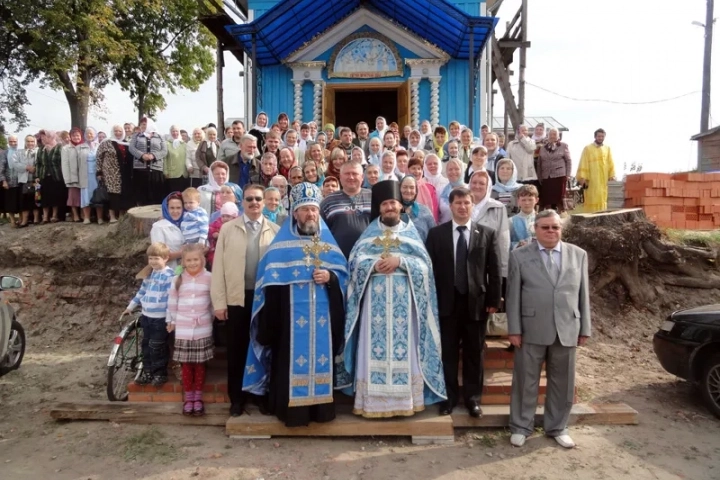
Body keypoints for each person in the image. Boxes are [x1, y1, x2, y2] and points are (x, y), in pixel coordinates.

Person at [338, 180, 446, 417]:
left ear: (401, 207)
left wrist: (402, 262)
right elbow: (354, 263)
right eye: (385, 204)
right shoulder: (369, 234)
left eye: (393, 203)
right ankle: (371, 404)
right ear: (380, 207)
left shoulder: (411, 234)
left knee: (404, 353)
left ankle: (406, 403)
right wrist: (373, 264)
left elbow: (425, 267)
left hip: (404, 311)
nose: (389, 207)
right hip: (372, 312)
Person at [243, 183, 348, 427]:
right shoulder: (279, 249)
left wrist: (330, 278)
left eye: (314, 210)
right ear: (295, 214)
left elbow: (343, 278)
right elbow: (268, 284)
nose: (310, 214)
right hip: (288, 323)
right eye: (305, 210)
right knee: (287, 362)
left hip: (323, 321)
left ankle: (321, 411)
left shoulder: (329, 247)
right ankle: (292, 413)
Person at [507, 210, 591, 449]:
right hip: (531, 328)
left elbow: (583, 293)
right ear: (535, 229)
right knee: (526, 380)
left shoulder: (578, 255)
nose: (551, 231)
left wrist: (584, 327)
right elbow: (512, 296)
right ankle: (521, 426)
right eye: (545, 227)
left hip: (567, 328)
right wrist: (514, 328)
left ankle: (557, 427)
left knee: (562, 382)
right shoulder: (519, 256)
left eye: (555, 227)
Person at [426, 186, 502, 417]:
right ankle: (448, 399)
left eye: (466, 203)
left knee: (474, 353)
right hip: (446, 304)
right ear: (451, 206)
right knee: (447, 354)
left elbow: (495, 269)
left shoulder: (487, 233)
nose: (462, 207)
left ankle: (472, 399)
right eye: (457, 203)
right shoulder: (437, 234)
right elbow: (429, 270)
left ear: (472, 204)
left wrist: (493, 300)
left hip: (476, 305)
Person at [211, 184, 280, 416]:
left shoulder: (275, 230)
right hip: (237, 298)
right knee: (238, 350)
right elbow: (218, 268)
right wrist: (219, 303)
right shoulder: (228, 230)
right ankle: (237, 399)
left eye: (258, 199)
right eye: (249, 199)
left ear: (264, 202)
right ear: (243, 202)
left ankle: (260, 396)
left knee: (263, 348)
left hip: (264, 300)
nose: (253, 203)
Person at [166, 244, 214, 416]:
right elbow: (172, 302)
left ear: (202, 260)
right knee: (186, 365)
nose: (193, 263)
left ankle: (198, 397)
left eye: (196, 259)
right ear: (183, 262)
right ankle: (189, 397)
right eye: (189, 260)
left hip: (203, 327)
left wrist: (211, 316)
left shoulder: (210, 278)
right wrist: (171, 320)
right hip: (184, 328)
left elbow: (213, 301)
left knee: (200, 364)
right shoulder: (177, 279)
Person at [125, 242, 175, 386]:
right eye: (150, 258)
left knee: (157, 346)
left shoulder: (169, 275)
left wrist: (170, 318)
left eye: (156, 258)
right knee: (146, 345)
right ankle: (147, 372)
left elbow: (171, 298)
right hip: (146, 316)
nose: (153, 261)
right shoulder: (149, 274)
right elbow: (142, 291)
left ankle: (160, 374)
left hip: (160, 319)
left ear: (165, 258)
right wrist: (131, 306)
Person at [319, 161, 372, 258]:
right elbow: (320, 232)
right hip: (338, 258)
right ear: (340, 177)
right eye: (347, 174)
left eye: (355, 174)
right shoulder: (328, 201)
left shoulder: (373, 197)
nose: (351, 177)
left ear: (362, 177)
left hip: (368, 257)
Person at [470, 171, 510, 280]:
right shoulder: (463, 205)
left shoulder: (498, 208)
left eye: (482, 183)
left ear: (488, 187)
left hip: (488, 265)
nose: (477, 186)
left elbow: (503, 240)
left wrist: (502, 271)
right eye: (474, 182)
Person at [97, 125, 133, 222]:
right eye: (116, 131)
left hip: (124, 172)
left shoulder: (126, 143)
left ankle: (121, 215)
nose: (118, 133)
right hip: (111, 173)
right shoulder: (106, 143)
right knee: (113, 195)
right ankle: (112, 216)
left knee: (123, 194)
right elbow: (99, 157)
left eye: (120, 131)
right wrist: (99, 172)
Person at [576, 128, 616, 213]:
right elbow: (583, 162)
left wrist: (612, 175)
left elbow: (610, 162)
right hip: (591, 180)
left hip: (603, 180)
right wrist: (583, 177)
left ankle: (602, 217)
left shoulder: (607, 148)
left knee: (602, 198)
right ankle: (590, 218)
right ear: (595, 137)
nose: (600, 138)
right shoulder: (588, 148)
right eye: (599, 136)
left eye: (602, 136)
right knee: (592, 198)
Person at [129, 118, 168, 206]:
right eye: (142, 124)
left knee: (156, 194)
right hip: (140, 170)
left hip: (156, 169)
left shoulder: (160, 136)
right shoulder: (136, 136)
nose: (143, 126)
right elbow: (131, 148)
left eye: (145, 124)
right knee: (142, 195)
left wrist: (153, 156)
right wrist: (142, 155)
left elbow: (164, 151)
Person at [537, 128, 572, 212]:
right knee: (547, 199)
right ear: (547, 136)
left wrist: (568, 174)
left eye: (554, 134)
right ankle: (549, 215)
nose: (552, 136)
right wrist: (539, 177)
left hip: (559, 176)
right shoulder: (543, 148)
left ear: (558, 136)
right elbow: (539, 163)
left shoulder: (563, 146)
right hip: (546, 177)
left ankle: (562, 217)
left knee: (559, 199)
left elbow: (568, 160)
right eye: (550, 134)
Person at [150, 192, 186, 269]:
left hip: (189, 271)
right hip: (168, 272)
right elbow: (158, 256)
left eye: (178, 208)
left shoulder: (188, 223)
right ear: (166, 208)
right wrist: (182, 253)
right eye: (172, 208)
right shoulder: (159, 227)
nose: (175, 211)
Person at [37, 130, 66, 223]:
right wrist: (37, 175)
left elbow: (62, 162)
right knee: (45, 197)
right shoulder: (41, 149)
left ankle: (54, 216)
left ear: (50, 137)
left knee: (55, 197)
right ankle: (45, 217)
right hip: (44, 176)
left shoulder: (59, 148)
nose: (42, 139)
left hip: (56, 176)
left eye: (44, 137)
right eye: (41, 137)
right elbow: (38, 163)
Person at [11, 135, 41, 227]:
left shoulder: (39, 152)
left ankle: (36, 219)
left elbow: (42, 163)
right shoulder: (19, 152)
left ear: (35, 142)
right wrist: (26, 167)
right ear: (25, 142)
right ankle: (25, 220)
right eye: (28, 141)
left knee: (36, 199)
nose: (30, 143)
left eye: (32, 141)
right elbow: (15, 164)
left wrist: (36, 169)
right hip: (24, 180)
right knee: (24, 201)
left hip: (36, 179)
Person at [61, 127, 87, 222]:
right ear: (70, 137)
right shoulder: (66, 148)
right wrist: (67, 179)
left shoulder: (85, 146)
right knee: (73, 196)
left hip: (83, 175)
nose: (76, 137)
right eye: (74, 136)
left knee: (83, 196)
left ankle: (83, 214)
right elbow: (65, 164)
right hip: (72, 176)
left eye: (78, 135)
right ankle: (75, 215)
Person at [399, 175, 435, 242]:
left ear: (416, 191)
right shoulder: (394, 210)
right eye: (405, 187)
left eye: (412, 187)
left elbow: (434, 236)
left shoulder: (425, 211)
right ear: (399, 189)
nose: (408, 190)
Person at [208, 202, 239, 267]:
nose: (225, 218)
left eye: (228, 216)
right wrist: (213, 233)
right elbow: (210, 228)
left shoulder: (237, 225)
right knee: (215, 260)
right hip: (217, 249)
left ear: (234, 217)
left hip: (232, 250)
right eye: (223, 216)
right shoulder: (218, 222)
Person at [510, 184, 540, 250]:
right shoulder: (511, 221)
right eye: (523, 200)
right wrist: (518, 244)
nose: (527, 203)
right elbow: (506, 242)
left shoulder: (542, 219)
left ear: (536, 200)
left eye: (530, 200)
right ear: (518, 201)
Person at [438, 158, 466, 224]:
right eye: (450, 169)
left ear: (462, 170)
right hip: (444, 229)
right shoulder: (441, 190)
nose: (453, 172)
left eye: (457, 169)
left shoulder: (469, 189)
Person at [165, 125, 188, 194]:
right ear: (170, 132)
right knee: (173, 194)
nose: (175, 133)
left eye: (176, 131)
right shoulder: (167, 144)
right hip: (172, 173)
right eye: (173, 131)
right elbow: (165, 159)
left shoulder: (184, 144)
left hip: (184, 173)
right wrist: (165, 171)